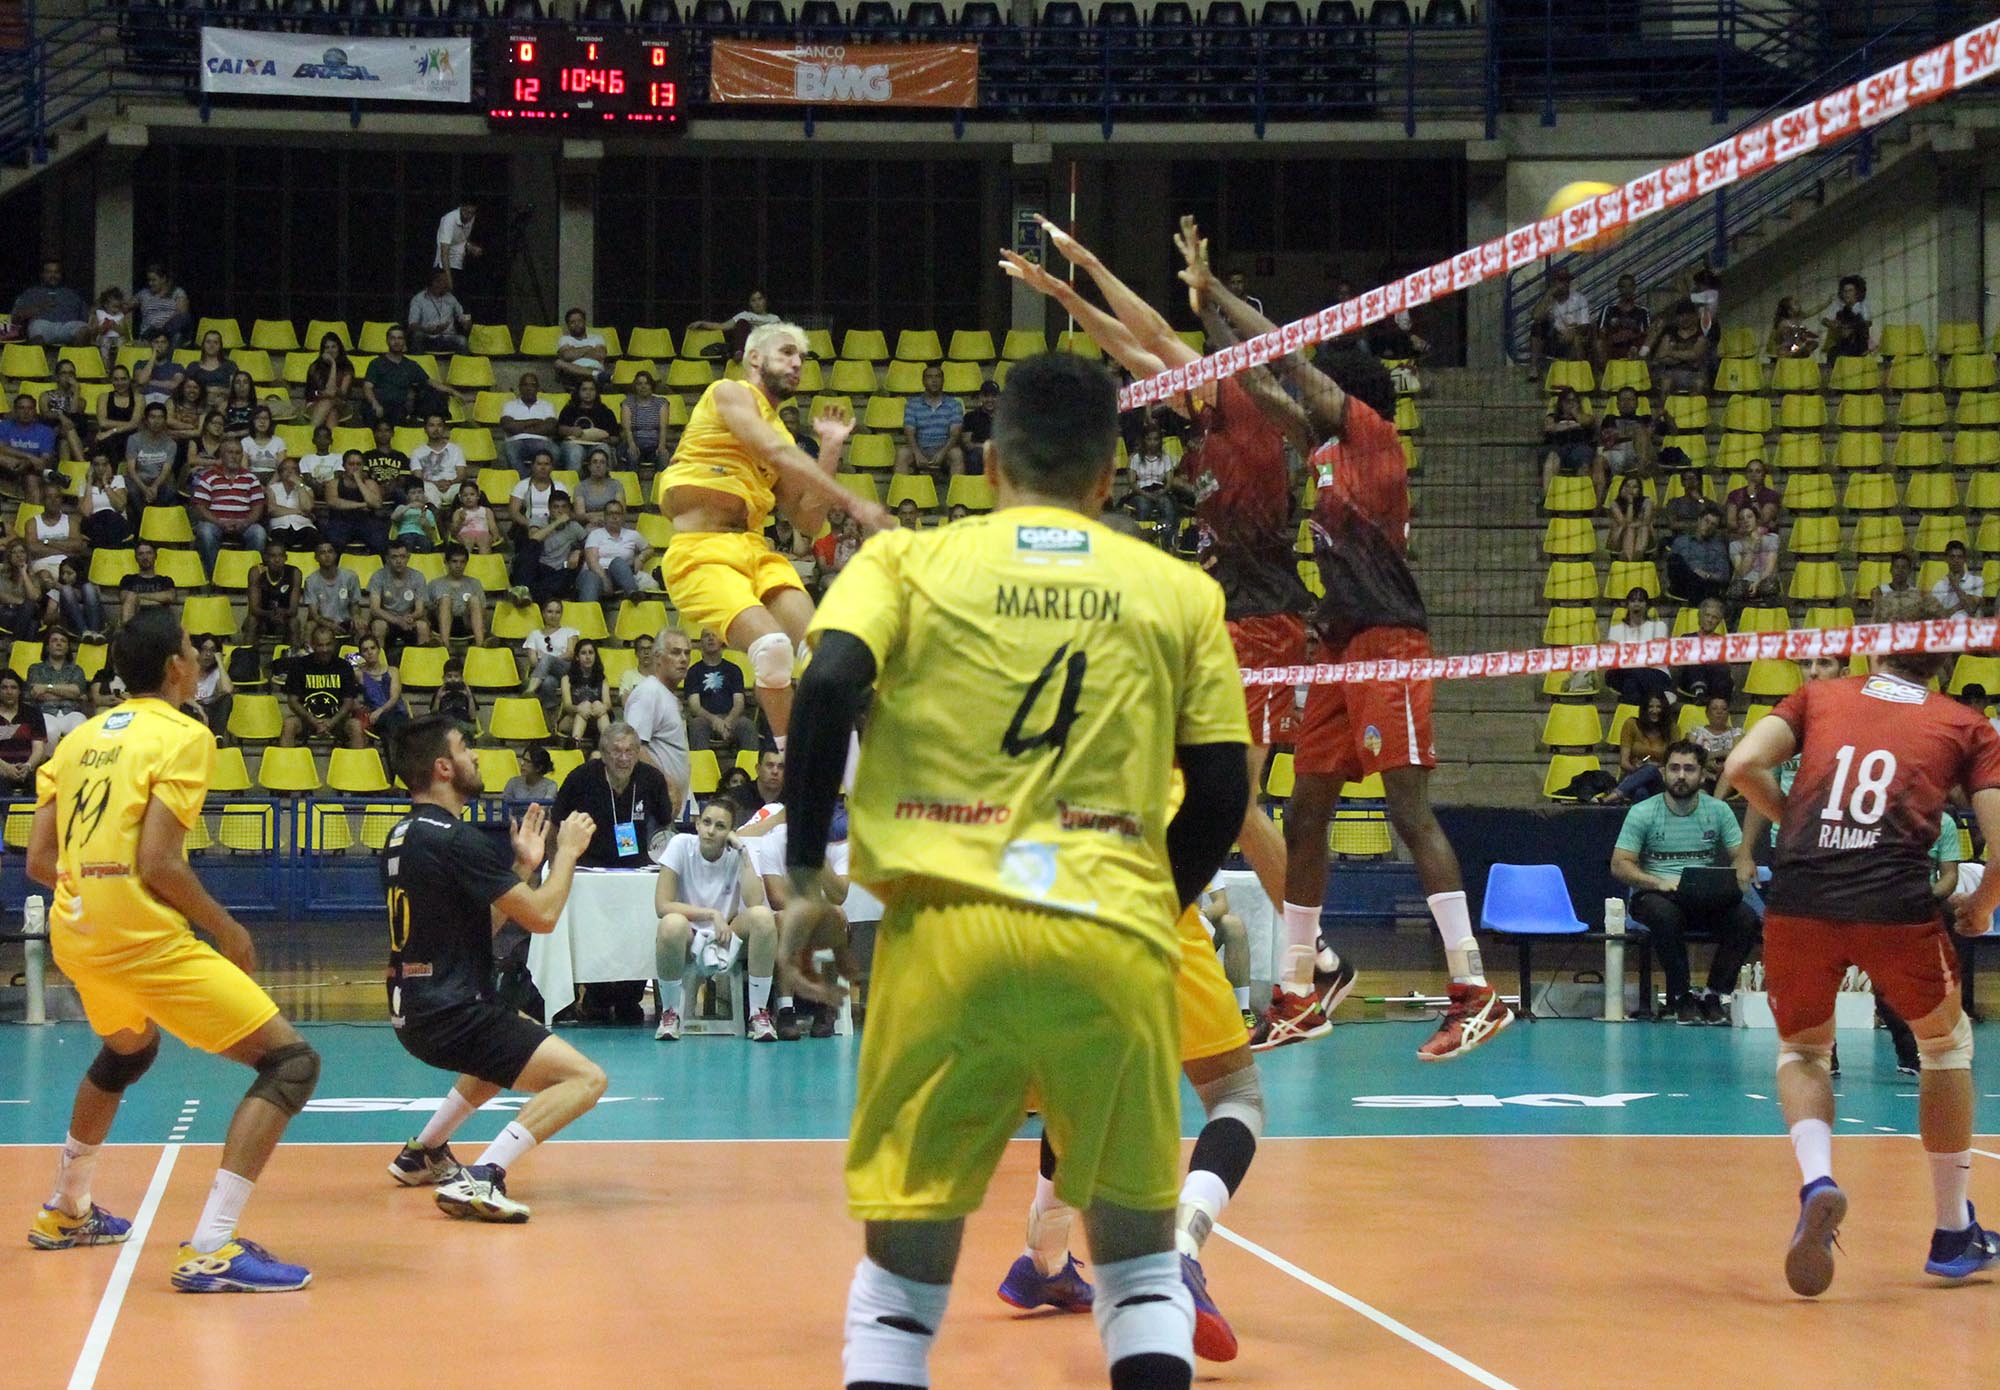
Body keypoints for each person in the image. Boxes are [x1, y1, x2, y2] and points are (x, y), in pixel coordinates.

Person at [777, 351, 1250, 1390]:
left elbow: (826, 680)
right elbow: (1221, 785)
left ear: (988, 463)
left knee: (898, 1301)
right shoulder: (1176, 590)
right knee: (1136, 1275)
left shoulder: (903, 564)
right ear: (1108, 473)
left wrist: (810, 874)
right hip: (1111, 946)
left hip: (944, 940)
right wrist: (1142, 904)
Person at [1175, 252, 1499, 1059]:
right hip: (1336, 646)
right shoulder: (1323, 450)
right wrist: (1205, 313)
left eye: (1327, 395)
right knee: (1307, 812)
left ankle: (1474, 988)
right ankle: (1297, 993)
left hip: (1390, 641)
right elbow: (1258, 381)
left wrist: (1222, 289)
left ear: (1354, 402)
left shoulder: (1374, 436)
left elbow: (1287, 356)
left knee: (1406, 812)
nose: (1310, 404)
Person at [1008, 215, 1311, 953]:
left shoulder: (1251, 399)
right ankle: (1210, 934)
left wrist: (1084, 263)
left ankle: (1311, 955)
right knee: (1192, 782)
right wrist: (1062, 290)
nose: (1200, 349)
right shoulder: (1209, 406)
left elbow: (1150, 333)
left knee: (1236, 805)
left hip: (1267, 619)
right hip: (1232, 618)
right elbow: (1134, 348)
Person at [25, 608, 320, 1290]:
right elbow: (158, 862)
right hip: (135, 933)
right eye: (192, 649)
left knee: (130, 1048)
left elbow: (40, 861)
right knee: (292, 1063)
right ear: (175, 669)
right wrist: (226, 927)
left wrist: (92, 885)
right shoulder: (185, 736)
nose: (197, 657)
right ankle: (213, 1246)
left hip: (76, 929)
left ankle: (68, 1209)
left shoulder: (79, 738)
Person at [1724, 590, 2000, 1296]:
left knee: (1804, 1050)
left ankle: (1818, 1178)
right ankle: (1951, 1231)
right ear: (1945, 656)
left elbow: (1742, 765)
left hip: (1802, 895)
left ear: (1875, 642)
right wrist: (1979, 907)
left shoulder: (1819, 696)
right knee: (1945, 1046)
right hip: (1893, 901)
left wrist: (1794, 824)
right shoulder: (1967, 723)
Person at [381, 715, 608, 1222]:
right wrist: (565, 853)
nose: (476, 756)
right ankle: (484, 1176)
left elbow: (471, 932)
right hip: (450, 1011)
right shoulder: (455, 839)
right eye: (466, 748)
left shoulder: (403, 835)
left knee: (514, 1042)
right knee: (585, 1080)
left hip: (415, 1010)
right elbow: (544, 917)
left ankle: (424, 1152)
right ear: (443, 767)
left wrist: (523, 870)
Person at [655, 321, 886, 745]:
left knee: (829, 659)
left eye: (801, 357)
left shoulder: (783, 434)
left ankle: (851, 780)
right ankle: (797, 765)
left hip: (755, 550)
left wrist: (831, 449)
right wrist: (852, 501)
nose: (797, 363)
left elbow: (807, 521)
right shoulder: (728, 393)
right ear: (755, 358)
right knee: (774, 648)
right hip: (702, 551)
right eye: (786, 353)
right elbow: (776, 451)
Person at [1609, 740, 1761, 1024]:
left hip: (1703, 899)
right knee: (1665, 915)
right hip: (1656, 896)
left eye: (1689, 769)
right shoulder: (1642, 812)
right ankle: (1681, 996)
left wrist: (1742, 864)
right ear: (1663, 772)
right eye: (1674, 768)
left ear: (1702, 775)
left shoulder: (1718, 811)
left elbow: (1740, 855)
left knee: (1746, 919)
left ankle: (1714, 995)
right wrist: (1657, 882)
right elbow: (1620, 865)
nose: (1681, 776)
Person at [652, 800, 780, 1041]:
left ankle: (758, 1015)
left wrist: (743, 852)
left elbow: (754, 900)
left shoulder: (737, 854)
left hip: (726, 935)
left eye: (720, 826)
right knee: (671, 924)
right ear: (698, 824)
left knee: (763, 917)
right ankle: (670, 1014)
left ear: (730, 833)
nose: (711, 830)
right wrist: (711, 914)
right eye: (707, 822)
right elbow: (662, 905)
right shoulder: (680, 845)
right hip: (689, 933)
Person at [622, 627, 692, 813]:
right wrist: (666, 785)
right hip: (649, 805)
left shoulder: (666, 695)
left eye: (687, 653)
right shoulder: (649, 692)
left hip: (661, 804)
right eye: (676, 652)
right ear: (658, 657)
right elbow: (632, 747)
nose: (684, 659)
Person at [280, 623, 367, 749]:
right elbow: (292, 701)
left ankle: (357, 768)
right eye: (320, 645)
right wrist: (313, 720)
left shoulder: (344, 666)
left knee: (356, 725)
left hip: (337, 720)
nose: (325, 649)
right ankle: (285, 768)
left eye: (328, 644)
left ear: (334, 644)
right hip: (307, 720)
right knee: (289, 724)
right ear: (313, 645)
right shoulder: (299, 665)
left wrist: (331, 722)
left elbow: (348, 702)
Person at [191, 438, 269, 578]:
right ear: (221, 455)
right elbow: (200, 507)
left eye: (238, 453)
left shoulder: (251, 478)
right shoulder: (209, 477)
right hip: (216, 523)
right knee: (205, 531)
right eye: (230, 452)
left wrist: (246, 523)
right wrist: (219, 522)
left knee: (259, 533)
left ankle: (248, 577)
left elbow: (258, 507)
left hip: (244, 523)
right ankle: (215, 577)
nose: (234, 456)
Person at [684, 627, 759, 756]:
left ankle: (750, 769)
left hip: (731, 718)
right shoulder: (693, 672)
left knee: (747, 725)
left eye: (714, 635)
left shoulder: (734, 670)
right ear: (701, 642)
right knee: (696, 726)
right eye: (707, 635)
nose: (711, 638)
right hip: (705, 719)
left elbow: (739, 702)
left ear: (722, 641)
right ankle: (702, 769)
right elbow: (695, 706)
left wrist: (728, 721)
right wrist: (714, 720)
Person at [1595, 690, 1673, 805]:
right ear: (1644, 708)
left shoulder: (1672, 729)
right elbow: (1624, 762)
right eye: (1651, 706)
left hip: (1660, 779)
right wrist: (1637, 768)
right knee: (1640, 792)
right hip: (1632, 775)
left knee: (1651, 769)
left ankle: (1610, 798)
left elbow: (1674, 762)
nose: (1655, 711)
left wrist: (1657, 767)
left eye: (1659, 707)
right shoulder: (1631, 724)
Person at [893, 364, 966, 479]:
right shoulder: (912, 404)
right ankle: (902, 494)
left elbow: (955, 434)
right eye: (929, 377)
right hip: (920, 448)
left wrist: (942, 452)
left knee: (957, 454)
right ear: (923, 381)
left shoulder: (954, 405)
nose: (934, 380)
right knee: (902, 453)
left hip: (945, 449)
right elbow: (909, 432)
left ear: (943, 380)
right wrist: (917, 454)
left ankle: (958, 494)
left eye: (937, 377)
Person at [577, 499, 653, 604]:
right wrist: (604, 580)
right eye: (610, 513)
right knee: (591, 578)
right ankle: (588, 613)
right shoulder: (595, 534)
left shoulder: (633, 535)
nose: (614, 517)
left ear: (623, 516)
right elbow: (592, 562)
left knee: (618, 562)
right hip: (596, 573)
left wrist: (641, 558)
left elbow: (649, 549)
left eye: (618, 513)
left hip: (620, 576)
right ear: (605, 516)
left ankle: (633, 594)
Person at [1604, 589, 1668, 710]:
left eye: (1641, 600)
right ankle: (1660, 698)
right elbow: (1613, 658)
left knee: (1631, 683)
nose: (1637, 604)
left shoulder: (1659, 626)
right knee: (1631, 673)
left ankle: (1632, 717)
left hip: (1655, 673)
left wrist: (1628, 655)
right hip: (1620, 673)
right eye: (1633, 600)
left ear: (1647, 605)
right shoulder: (1616, 629)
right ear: (1627, 604)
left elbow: (1657, 656)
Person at [26, 628, 91, 744]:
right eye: (54, 640)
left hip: (72, 712)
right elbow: (38, 694)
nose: (59, 643)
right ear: (47, 646)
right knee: (50, 731)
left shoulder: (76, 670)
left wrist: (47, 687)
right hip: (45, 712)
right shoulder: (35, 669)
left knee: (80, 728)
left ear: (68, 648)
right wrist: (69, 694)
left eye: (63, 641)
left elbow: (76, 691)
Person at [366, 541, 434, 652]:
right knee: (379, 626)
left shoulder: (418, 577)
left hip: (409, 620)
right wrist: (397, 620)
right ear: (387, 558)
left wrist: (410, 617)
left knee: (423, 626)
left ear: (408, 558)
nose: (399, 561)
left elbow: (420, 610)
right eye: (394, 557)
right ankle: (379, 664)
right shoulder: (378, 576)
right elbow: (375, 609)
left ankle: (421, 662)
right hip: (387, 619)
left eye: (402, 557)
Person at [11, 258, 91, 347]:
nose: (52, 275)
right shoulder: (30, 293)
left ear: (61, 274)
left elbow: (85, 318)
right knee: (37, 331)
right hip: (41, 326)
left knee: (84, 330)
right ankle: (37, 359)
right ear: (42, 274)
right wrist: (38, 307)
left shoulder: (73, 294)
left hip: (67, 326)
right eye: (48, 272)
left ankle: (74, 359)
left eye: (56, 272)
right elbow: (15, 318)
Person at [300, 541, 365, 642]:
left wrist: (356, 616)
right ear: (316, 558)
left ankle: (362, 657)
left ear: (335, 555)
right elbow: (314, 614)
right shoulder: (311, 581)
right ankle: (307, 655)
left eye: (330, 552)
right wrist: (329, 625)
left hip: (345, 621)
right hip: (322, 623)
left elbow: (354, 605)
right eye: (322, 553)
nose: (327, 555)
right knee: (309, 626)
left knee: (361, 625)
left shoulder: (350, 577)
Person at [0, 671, 49, 795]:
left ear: (20, 691)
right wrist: (5, 767)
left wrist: (28, 766)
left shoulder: (33, 714)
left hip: (27, 768)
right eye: (4, 687)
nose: (9, 692)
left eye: (13, 687)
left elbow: (39, 748)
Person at [430, 543, 488, 647]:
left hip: (467, 624)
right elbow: (428, 611)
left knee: (474, 600)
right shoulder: (434, 584)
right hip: (440, 624)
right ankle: (444, 646)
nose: (458, 565)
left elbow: (483, 612)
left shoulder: (475, 583)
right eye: (454, 561)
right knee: (445, 599)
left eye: (462, 562)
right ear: (446, 562)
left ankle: (480, 645)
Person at [355, 634, 409, 744]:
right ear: (361, 654)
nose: (370, 652)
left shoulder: (393, 671)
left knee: (394, 725)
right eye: (365, 650)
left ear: (379, 650)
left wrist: (380, 711)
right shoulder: (359, 674)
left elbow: (394, 698)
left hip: (397, 713)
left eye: (373, 648)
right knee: (388, 726)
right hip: (376, 718)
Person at [407, 269, 471, 356]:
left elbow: (462, 316)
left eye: (446, 281)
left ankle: (460, 368)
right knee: (417, 336)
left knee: (462, 341)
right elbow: (412, 325)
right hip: (428, 337)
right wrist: (428, 330)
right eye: (443, 281)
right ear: (434, 283)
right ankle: (418, 366)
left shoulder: (451, 298)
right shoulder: (419, 299)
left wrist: (466, 322)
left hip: (448, 337)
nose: (446, 284)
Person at [559, 639, 610, 746]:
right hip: (570, 720)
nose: (588, 657)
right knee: (584, 707)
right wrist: (579, 708)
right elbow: (567, 706)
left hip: (595, 720)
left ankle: (609, 745)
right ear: (577, 657)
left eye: (591, 653)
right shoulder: (567, 679)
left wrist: (601, 707)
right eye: (583, 653)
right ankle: (575, 743)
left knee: (599, 705)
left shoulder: (602, 679)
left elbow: (608, 704)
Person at [302, 334, 356, 433]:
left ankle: (308, 436)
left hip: (340, 403)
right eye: (327, 347)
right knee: (331, 411)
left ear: (339, 348)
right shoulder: (314, 367)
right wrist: (322, 394)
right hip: (314, 403)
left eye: (333, 347)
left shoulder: (347, 367)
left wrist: (333, 364)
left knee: (329, 401)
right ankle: (329, 445)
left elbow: (341, 393)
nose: (330, 350)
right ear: (323, 350)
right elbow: (309, 394)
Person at [118, 540, 177, 627]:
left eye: (149, 553)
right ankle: (128, 635)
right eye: (141, 554)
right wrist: (157, 599)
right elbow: (125, 598)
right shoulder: (128, 579)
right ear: (136, 558)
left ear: (155, 556)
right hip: (135, 619)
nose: (145, 557)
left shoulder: (165, 580)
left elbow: (169, 597)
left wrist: (138, 597)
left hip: (158, 619)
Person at [1687, 695, 1741, 791]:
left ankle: (1716, 802)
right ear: (1707, 713)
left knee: (1729, 771)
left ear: (1728, 713)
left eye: (1724, 709)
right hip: (1703, 773)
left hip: (1728, 776)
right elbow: (1690, 755)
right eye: (1714, 708)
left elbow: (1737, 755)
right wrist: (1708, 762)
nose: (1719, 712)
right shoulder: (1696, 731)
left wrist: (1707, 756)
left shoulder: (1736, 733)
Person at [551, 308, 610, 390]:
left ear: (584, 322)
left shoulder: (597, 338)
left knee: (561, 363)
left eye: (579, 321)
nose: (576, 324)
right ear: (568, 325)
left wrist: (574, 351)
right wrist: (588, 348)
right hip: (572, 376)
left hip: (593, 370)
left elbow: (600, 355)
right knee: (558, 363)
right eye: (572, 322)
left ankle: (594, 373)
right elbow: (567, 356)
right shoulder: (564, 339)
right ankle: (595, 374)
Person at [621, 370, 668, 471]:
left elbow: (663, 428)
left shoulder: (661, 403)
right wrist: (631, 445)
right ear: (635, 386)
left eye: (646, 383)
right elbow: (627, 429)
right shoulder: (627, 403)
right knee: (631, 455)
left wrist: (661, 446)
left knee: (663, 456)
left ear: (651, 385)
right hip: (634, 442)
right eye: (639, 384)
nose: (643, 387)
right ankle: (632, 484)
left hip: (655, 443)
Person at [189, 634, 234, 735]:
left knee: (227, 699)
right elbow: (179, 694)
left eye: (212, 650)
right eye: (204, 649)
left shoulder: (216, 672)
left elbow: (228, 690)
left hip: (209, 711)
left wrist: (220, 663)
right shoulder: (188, 669)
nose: (208, 654)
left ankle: (218, 738)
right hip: (191, 709)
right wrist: (197, 707)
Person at [1606, 474, 1655, 563]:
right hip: (1619, 542)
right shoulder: (1615, 504)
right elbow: (1624, 524)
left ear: (1640, 490)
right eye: (1627, 486)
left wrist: (1633, 525)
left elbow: (1646, 521)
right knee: (1629, 530)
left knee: (1642, 528)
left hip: (1644, 540)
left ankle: (1636, 554)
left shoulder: (1647, 502)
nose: (1630, 490)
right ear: (1622, 488)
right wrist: (1630, 503)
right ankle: (1631, 560)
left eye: (1634, 487)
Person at [501, 744, 560, 816]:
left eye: (527, 762)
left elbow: (541, 811)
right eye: (523, 760)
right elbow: (506, 810)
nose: (522, 764)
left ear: (539, 767)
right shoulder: (512, 783)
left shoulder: (551, 786)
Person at [434, 200, 480, 288]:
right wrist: (449, 281)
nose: (469, 216)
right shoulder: (449, 220)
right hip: (444, 264)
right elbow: (444, 253)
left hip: (458, 262)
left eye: (472, 213)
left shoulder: (471, 218)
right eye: (467, 212)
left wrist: (470, 247)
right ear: (461, 208)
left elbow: (462, 239)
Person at [1932, 540, 1984, 618]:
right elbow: (1938, 617)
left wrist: (1956, 586)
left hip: (1968, 628)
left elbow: (1971, 609)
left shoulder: (1976, 581)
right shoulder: (1938, 586)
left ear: (1965, 559)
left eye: (1959, 557)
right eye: (1952, 557)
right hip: (1947, 628)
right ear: (1946, 559)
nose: (1956, 560)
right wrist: (1959, 606)